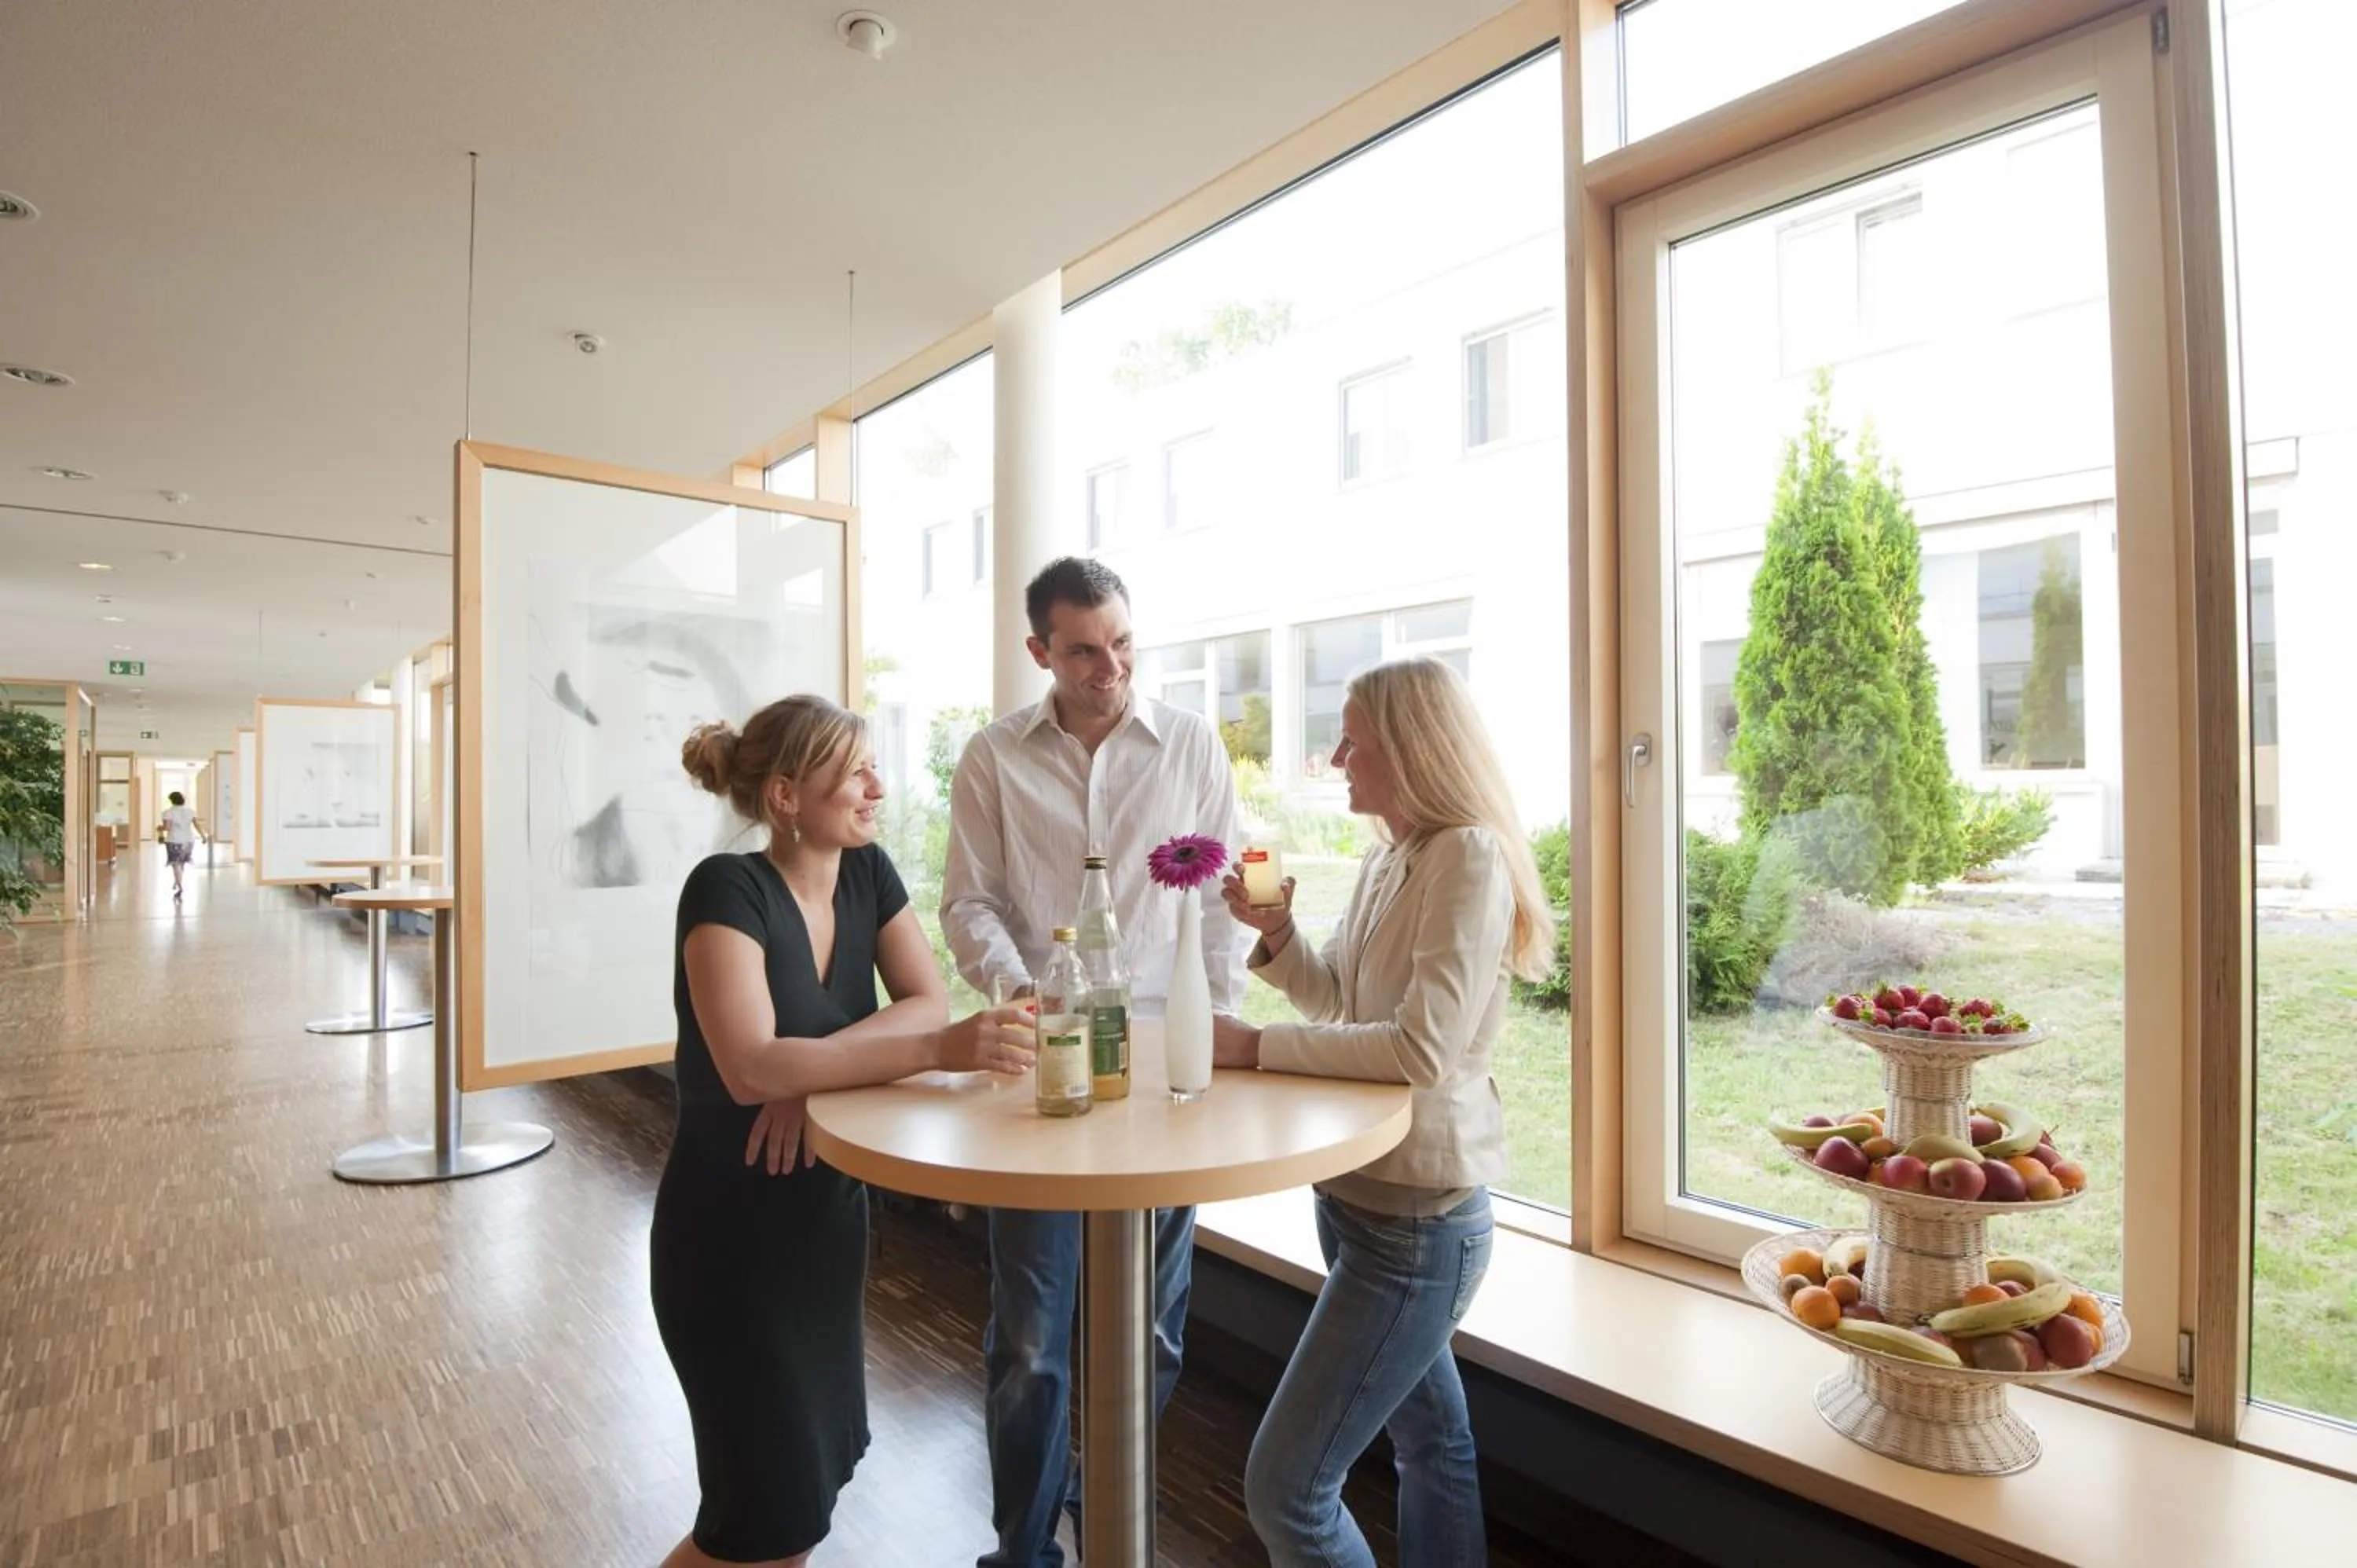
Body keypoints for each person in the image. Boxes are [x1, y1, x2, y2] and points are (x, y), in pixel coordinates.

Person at [656, 694, 1037, 1568]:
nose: (878, 785)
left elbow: (925, 996)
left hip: (824, 1231)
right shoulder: (725, 889)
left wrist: (811, 1068)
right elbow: (752, 1065)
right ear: (786, 795)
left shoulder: (869, 872)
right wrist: (824, 1064)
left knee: (794, 1510)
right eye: (855, 769)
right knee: (755, 1526)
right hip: (727, 1244)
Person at [1210, 656, 1555, 1568]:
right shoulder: (1392, 854)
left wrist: (1249, 1046)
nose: (1337, 757)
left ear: (1408, 748)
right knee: (1432, 1442)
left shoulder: (1468, 858)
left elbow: (1417, 1051)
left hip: (1418, 1224)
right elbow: (1339, 1007)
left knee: (1287, 1490)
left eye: (1353, 740)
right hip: (1359, 1205)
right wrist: (1278, 935)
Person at [941, 556, 1246, 1567]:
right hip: (1045, 1070)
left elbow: (1216, 902)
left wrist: (1221, 1042)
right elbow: (967, 900)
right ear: (1040, 651)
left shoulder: (1190, 744)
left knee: (1152, 1337)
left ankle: (1094, 1507)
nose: (1108, 665)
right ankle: (1023, 1552)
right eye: (1083, 650)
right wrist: (1019, 989)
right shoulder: (992, 758)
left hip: (1164, 1072)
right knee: (1032, 1343)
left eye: (1122, 643)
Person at [160, 790, 203, 900]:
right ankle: (178, 881)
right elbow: (197, 825)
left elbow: (167, 828)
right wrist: (203, 836)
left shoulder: (168, 812)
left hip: (174, 841)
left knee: (176, 864)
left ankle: (179, 887)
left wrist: (159, 828)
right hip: (188, 841)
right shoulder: (190, 811)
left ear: (171, 801)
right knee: (182, 863)